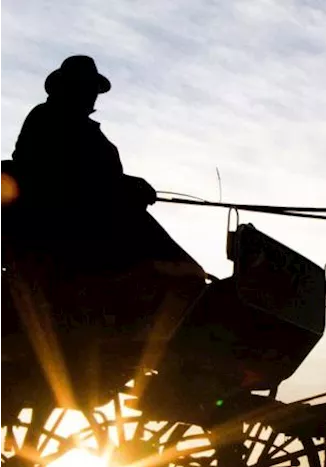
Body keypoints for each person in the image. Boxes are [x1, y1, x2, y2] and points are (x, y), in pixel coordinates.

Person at [7, 55, 205, 337]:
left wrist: (127, 187)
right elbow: (63, 175)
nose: (91, 96)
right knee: (180, 273)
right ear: (67, 87)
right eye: (86, 88)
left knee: (181, 272)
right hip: (76, 224)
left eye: (93, 89)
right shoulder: (49, 118)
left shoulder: (78, 127)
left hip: (102, 218)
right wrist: (125, 187)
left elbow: (92, 176)